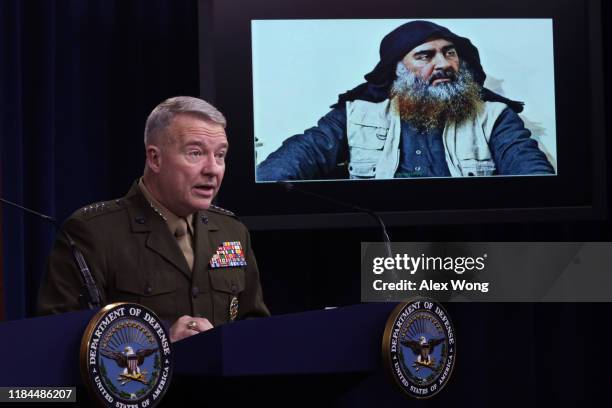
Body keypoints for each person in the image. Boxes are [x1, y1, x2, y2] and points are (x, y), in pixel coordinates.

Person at [38, 96, 270, 342]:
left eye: (220, 155)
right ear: (154, 158)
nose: (212, 168)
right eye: (196, 153)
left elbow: (255, 327)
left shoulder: (231, 231)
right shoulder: (92, 232)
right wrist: (157, 345)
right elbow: (59, 342)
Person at [256, 20, 555, 180]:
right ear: (397, 70)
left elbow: (534, 178)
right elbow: (297, 158)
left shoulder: (494, 117)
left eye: (449, 52)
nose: (444, 64)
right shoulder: (357, 114)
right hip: (376, 246)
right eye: (425, 55)